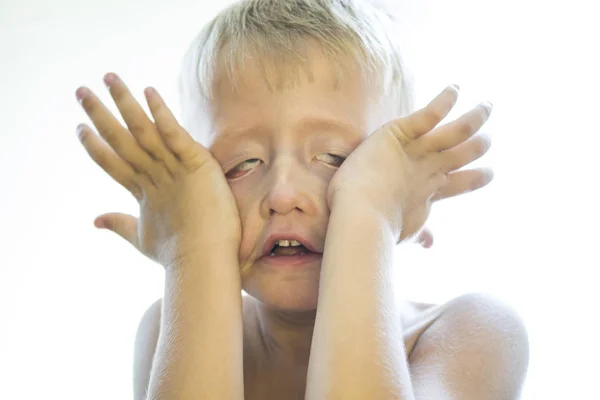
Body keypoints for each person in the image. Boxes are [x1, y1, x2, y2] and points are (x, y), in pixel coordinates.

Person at [75, 0, 529, 398]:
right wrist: (192, 253)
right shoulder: (164, 331)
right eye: (242, 165)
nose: (283, 194)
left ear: (413, 194)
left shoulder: (471, 331)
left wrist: (369, 213)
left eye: (337, 158)